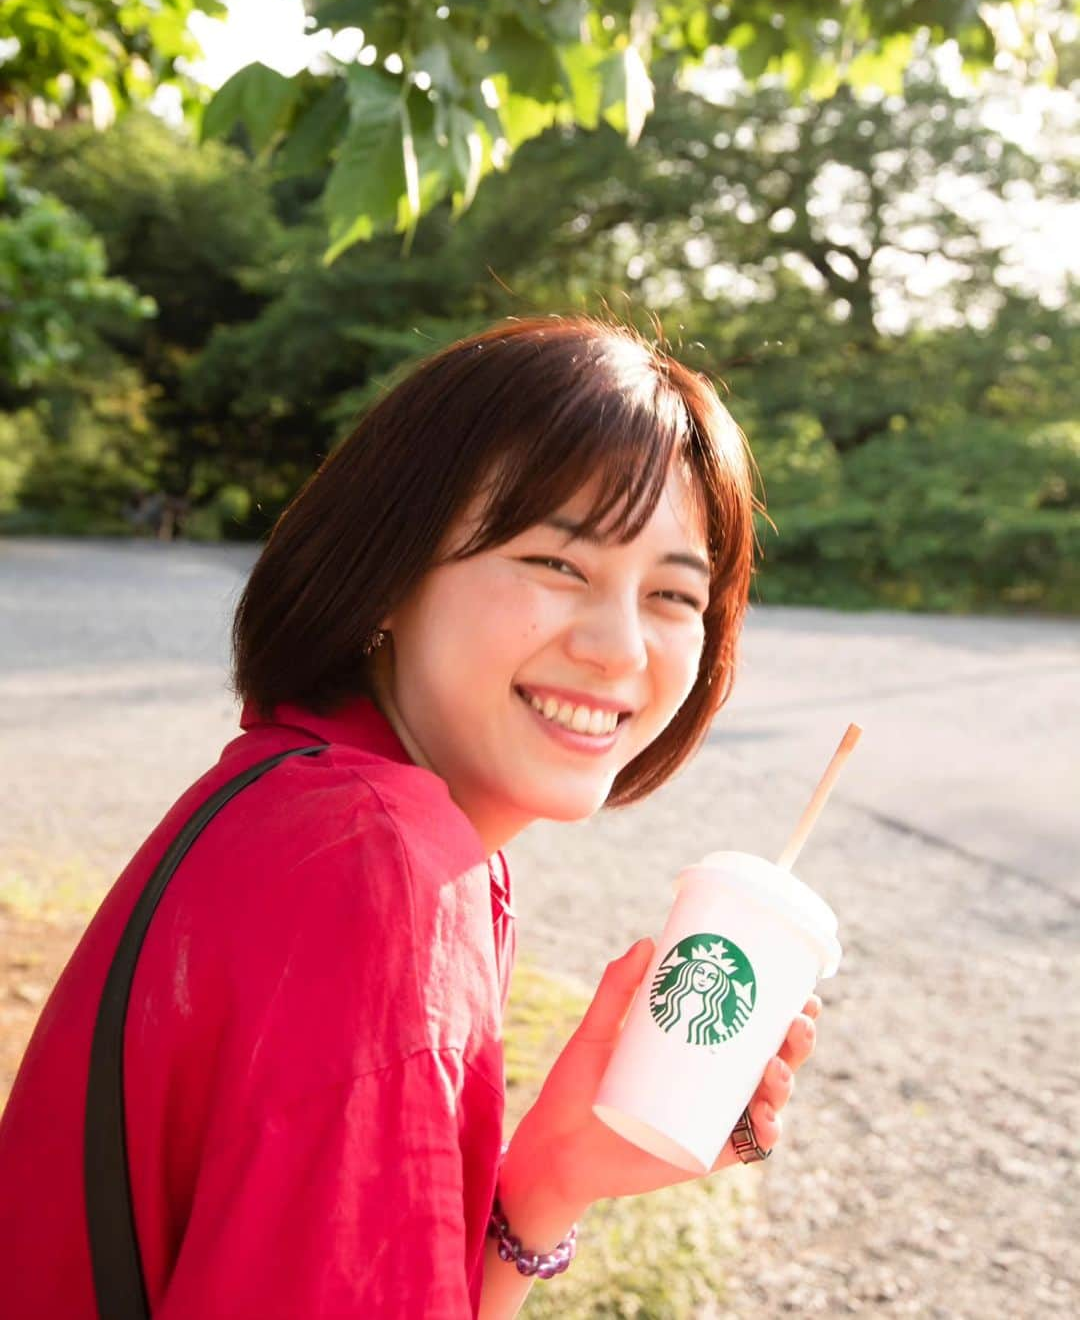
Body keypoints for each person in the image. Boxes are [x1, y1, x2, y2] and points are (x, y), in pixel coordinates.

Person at [0, 315, 822, 1318]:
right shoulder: (381, 866)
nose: (619, 649)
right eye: (557, 565)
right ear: (387, 574)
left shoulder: (307, 794)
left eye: (671, 595)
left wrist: (550, 1179)